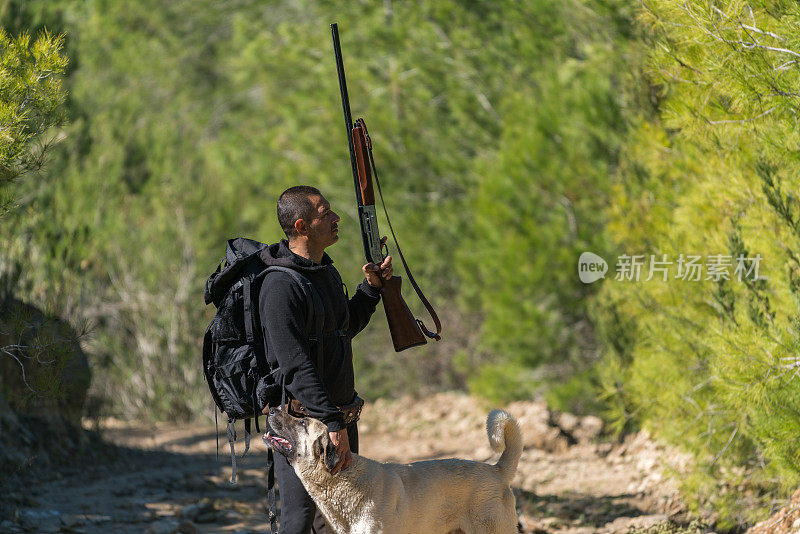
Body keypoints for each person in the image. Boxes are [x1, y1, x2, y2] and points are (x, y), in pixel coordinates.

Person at [258, 185, 392, 534]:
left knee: (337, 523)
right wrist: (332, 423)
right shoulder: (278, 287)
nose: (336, 219)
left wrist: (371, 289)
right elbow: (296, 365)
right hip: (303, 426)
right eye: (325, 213)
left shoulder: (325, 272)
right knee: (299, 524)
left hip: (338, 420)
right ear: (302, 227)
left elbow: (339, 331)